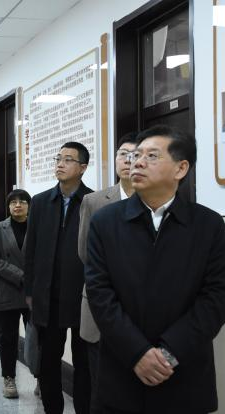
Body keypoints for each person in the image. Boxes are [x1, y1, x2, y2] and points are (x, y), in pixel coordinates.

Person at [85, 125, 225, 413]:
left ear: (181, 168)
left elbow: (216, 298)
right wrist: (137, 353)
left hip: (183, 372)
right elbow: (99, 293)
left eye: (151, 156)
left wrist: (168, 354)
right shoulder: (105, 222)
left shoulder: (207, 225)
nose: (137, 162)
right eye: (136, 155)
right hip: (122, 371)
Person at [24, 141, 93, 414]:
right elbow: (30, 250)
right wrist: (30, 291)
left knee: (84, 361)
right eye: (58, 158)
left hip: (82, 296)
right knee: (49, 360)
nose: (60, 164)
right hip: (48, 294)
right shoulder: (41, 202)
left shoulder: (92, 202)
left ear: (82, 168)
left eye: (68, 159)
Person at [77, 133, 137, 414]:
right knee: (101, 389)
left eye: (135, 155)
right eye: (123, 154)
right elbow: (84, 252)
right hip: (99, 307)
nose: (128, 160)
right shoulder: (94, 201)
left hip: (140, 312)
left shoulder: (156, 201)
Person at [0, 189, 32, 399]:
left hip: (33, 292)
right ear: (8, 206)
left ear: (29, 205)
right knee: (8, 339)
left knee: (37, 338)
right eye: (13, 202)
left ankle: (40, 377)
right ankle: (9, 378)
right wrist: (21, 275)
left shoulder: (38, 226)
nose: (18, 205)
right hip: (7, 290)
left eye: (22, 201)